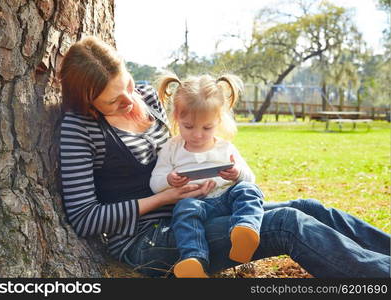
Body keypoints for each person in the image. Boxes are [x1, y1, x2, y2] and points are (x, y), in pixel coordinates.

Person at [59, 35, 390, 278]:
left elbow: (185, 141)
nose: (132, 101)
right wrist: (167, 196)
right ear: (89, 103)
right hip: (149, 238)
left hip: (197, 210)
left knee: (309, 207)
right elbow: (86, 218)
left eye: (128, 86)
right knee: (286, 224)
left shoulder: (146, 94)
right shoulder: (80, 129)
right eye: (115, 102)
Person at [149, 74, 264, 277]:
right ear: (176, 117)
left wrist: (236, 174)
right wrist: (169, 180)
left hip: (227, 201)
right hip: (196, 204)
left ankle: (245, 232)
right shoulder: (172, 147)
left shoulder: (225, 147)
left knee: (247, 190)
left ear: (218, 120)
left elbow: (250, 179)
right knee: (183, 210)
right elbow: (154, 184)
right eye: (188, 126)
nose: (197, 134)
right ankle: (194, 261)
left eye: (207, 127)